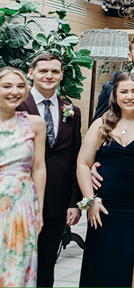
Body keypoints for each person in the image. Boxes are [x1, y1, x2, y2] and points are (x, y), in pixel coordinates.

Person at [76, 73, 134, 287]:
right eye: (123, 92)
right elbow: (82, 163)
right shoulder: (101, 123)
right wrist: (90, 200)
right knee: (105, 264)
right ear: (114, 96)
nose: (129, 96)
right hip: (105, 208)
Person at [17, 53, 81, 287]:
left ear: (62, 75)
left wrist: (74, 201)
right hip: (19, 198)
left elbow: (75, 156)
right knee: (16, 261)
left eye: (55, 71)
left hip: (56, 201)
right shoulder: (16, 104)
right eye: (43, 70)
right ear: (31, 73)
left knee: (46, 264)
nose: (49, 75)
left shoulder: (72, 110)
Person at [0, 66, 46, 287]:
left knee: (16, 265)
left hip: (21, 205)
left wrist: (39, 211)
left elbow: (38, 168)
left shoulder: (34, 123)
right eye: (6, 86)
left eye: (20, 86)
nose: (14, 91)